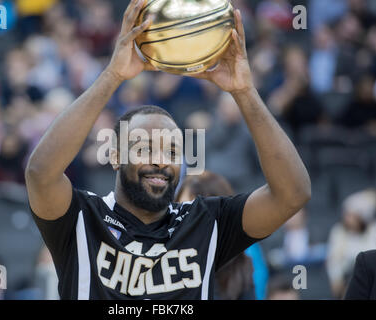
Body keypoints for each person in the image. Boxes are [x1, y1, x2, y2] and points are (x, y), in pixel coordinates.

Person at [25, 0, 311, 299]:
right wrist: (112, 76)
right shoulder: (83, 218)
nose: (161, 161)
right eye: (145, 149)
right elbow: (40, 172)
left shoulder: (205, 222)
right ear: (114, 155)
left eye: (173, 153)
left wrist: (244, 92)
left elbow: (293, 193)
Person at [175, 171, 255, 300]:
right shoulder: (159, 257)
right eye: (184, 211)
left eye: (199, 215)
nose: (190, 222)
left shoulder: (242, 265)